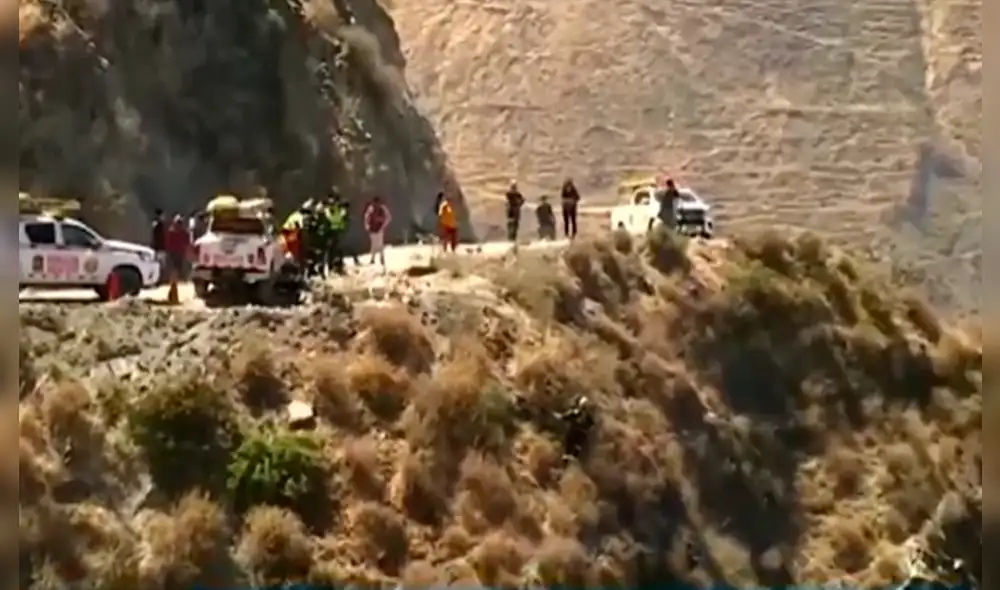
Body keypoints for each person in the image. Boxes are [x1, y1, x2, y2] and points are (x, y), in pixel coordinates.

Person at [557, 395, 595, 461]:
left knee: (570, 439)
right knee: (578, 443)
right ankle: (573, 455)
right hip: (583, 432)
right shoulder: (587, 414)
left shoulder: (577, 410)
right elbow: (591, 423)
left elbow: (569, 415)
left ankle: (568, 454)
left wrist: (562, 417)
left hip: (576, 429)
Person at [363, 195, 391, 270]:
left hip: (379, 228)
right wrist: (367, 225)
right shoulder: (371, 208)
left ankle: (381, 258)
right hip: (373, 229)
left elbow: (388, 217)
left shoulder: (383, 208)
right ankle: (373, 259)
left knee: (380, 244)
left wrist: (383, 225)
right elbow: (367, 216)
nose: (376, 204)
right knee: (374, 244)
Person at [323, 194, 348, 275]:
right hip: (330, 233)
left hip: (338, 232)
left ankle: (338, 266)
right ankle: (330, 268)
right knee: (330, 250)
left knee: (338, 250)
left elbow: (341, 219)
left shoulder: (338, 209)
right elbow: (330, 218)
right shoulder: (328, 210)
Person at [163, 214, 190, 282]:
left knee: (174, 266)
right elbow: (187, 241)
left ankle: (174, 278)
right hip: (179, 251)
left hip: (173, 251)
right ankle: (178, 278)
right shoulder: (183, 231)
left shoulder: (171, 230)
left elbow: (167, 241)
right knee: (178, 266)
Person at [150, 208, 166, 282]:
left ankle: (158, 279)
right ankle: (159, 279)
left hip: (156, 247)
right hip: (160, 247)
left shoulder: (154, 223)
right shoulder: (160, 224)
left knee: (157, 264)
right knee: (160, 265)